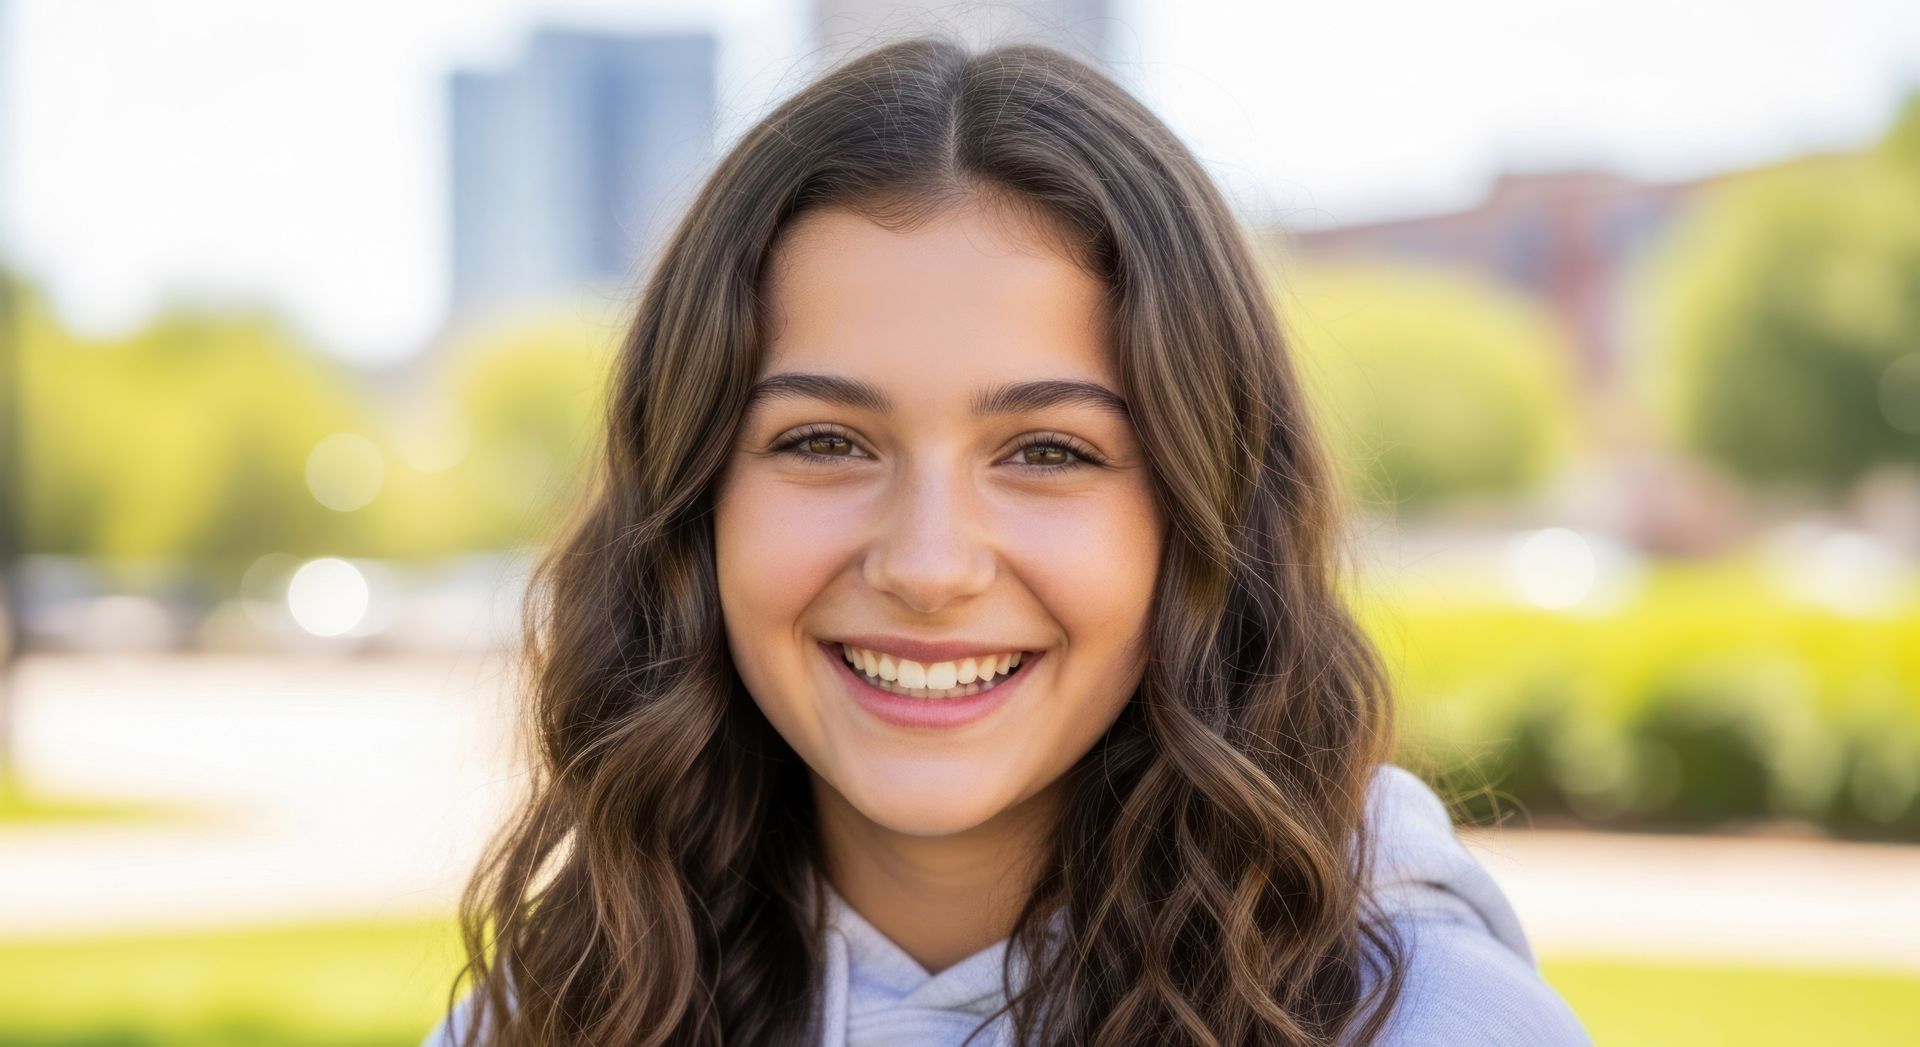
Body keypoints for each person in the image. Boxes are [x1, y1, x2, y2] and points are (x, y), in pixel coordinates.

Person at [423, 35, 1591, 1046]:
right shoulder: (550, 1011)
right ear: (690, 506)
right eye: (825, 442)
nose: (929, 567)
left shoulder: (1423, 1020)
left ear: (1204, 516)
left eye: (1048, 453)